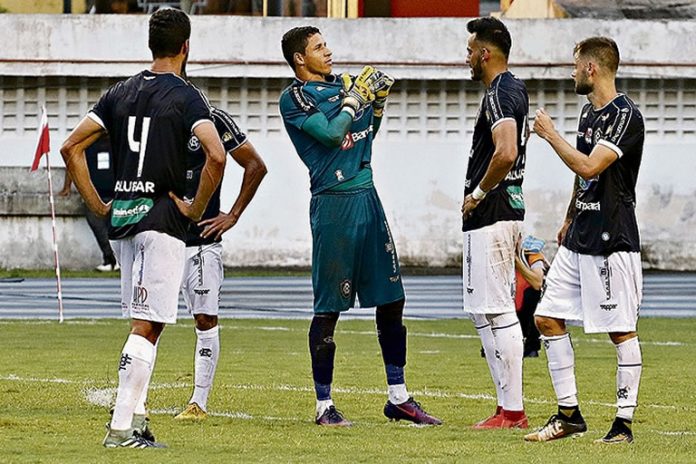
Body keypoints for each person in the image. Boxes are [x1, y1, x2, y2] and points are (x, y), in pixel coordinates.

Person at [60, 8, 226, 448]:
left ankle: (136, 420)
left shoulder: (120, 92)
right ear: (186, 46)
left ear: (150, 45)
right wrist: (195, 209)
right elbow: (217, 155)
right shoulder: (188, 97)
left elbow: (71, 146)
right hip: (162, 219)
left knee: (142, 321)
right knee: (149, 326)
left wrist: (99, 205)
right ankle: (121, 428)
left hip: (124, 221)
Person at [278, 26, 441, 427]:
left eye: (326, 45)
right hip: (334, 205)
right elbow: (333, 135)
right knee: (329, 307)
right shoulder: (294, 98)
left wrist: (378, 103)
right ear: (300, 59)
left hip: (368, 196)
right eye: (319, 48)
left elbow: (364, 134)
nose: (328, 52)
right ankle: (324, 405)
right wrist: (354, 100)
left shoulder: (344, 87)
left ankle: (398, 397)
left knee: (392, 298)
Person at [525, 36, 644, 444]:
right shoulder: (587, 114)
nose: (572, 72)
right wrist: (568, 216)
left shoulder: (626, 116)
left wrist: (550, 135)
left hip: (613, 240)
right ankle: (569, 415)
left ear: (591, 68)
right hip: (579, 237)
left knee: (620, 330)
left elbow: (592, 166)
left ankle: (622, 425)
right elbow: (581, 177)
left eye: (575, 65)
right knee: (545, 316)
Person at [174, 106, 267, 420]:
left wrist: (233, 215)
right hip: (160, 239)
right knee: (145, 322)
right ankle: (135, 399)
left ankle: (198, 403)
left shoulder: (214, 119)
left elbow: (255, 165)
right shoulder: (153, 119)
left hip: (201, 244)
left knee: (205, 321)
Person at [461, 16, 529, 430]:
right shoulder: (504, 90)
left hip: (495, 211)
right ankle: (505, 406)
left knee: (499, 310)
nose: (466, 57)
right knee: (480, 311)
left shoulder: (502, 91)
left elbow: (505, 152)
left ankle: (515, 411)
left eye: (470, 51)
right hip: (494, 213)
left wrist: (477, 194)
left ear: (485, 54)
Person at [59, 135, 120, 272]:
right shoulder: (87, 145)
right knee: (98, 227)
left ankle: (115, 260)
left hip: (115, 195)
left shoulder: (118, 143)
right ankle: (110, 258)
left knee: (116, 229)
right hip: (93, 195)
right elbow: (72, 163)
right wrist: (67, 187)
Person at [514, 235, 548, 358]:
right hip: (510, 300)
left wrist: (517, 263)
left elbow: (537, 283)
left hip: (528, 303)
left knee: (532, 294)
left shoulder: (531, 254)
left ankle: (531, 345)